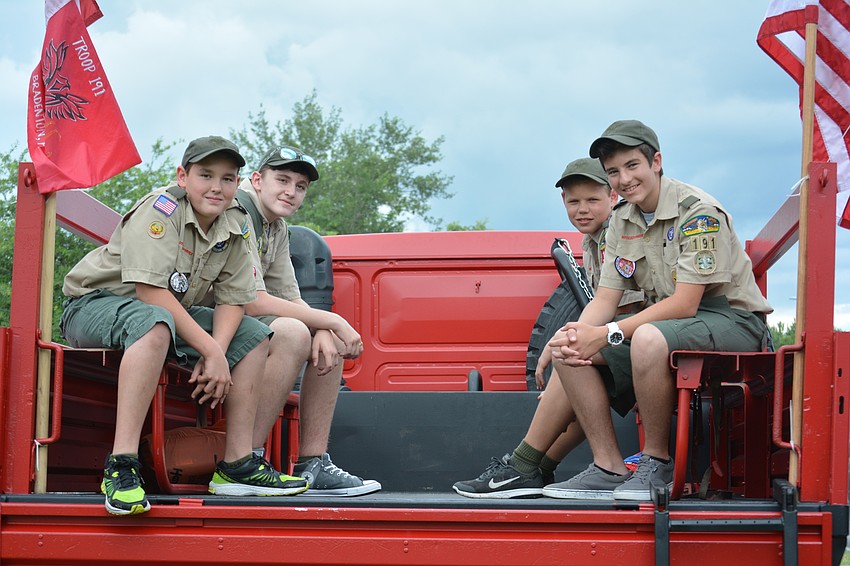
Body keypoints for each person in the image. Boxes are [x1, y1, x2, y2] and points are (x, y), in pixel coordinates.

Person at [60, 136, 308, 516]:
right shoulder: (161, 210)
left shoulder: (235, 222)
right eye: (205, 175)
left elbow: (232, 298)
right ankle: (121, 465)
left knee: (256, 335)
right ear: (183, 175)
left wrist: (222, 351)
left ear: (238, 183)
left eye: (227, 178)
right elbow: (151, 293)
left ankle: (236, 465)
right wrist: (211, 352)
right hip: (94, 305)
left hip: (165, 312)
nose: (216, 187)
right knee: (155, 323)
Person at [543, 120, 772, 501]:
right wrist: (572, 337)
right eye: (613, 172)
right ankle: (607, 466)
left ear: (657, 162)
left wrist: (609, 333)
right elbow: (604, 299)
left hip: (731, 318)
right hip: (678, 320)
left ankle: (656, 463)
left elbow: (685, 302)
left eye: (633, 165)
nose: (624, 179)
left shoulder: (698, 212)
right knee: (572, 348)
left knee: (646, 338)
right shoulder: (622, 219)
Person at [452, 157, 643, 498]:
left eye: (592, 200)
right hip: (625, 336)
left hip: (646, 337)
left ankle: (524, 465)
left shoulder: (625, 231)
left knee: (573, 359)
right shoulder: (593, 240)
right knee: (571, 366)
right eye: (573, 201)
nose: (582, 209)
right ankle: (538, 467)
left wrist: (568, 344)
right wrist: (560, 342)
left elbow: (630, 307)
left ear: (613, 197)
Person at [236, 145, 381, 496]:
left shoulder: (278, 227)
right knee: (291, 332)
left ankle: (312, 463)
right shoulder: (238, 212)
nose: (291, 191)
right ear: (257, 180)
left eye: (300, 186)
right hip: (197, 317)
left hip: (232, 320)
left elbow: (288, 293)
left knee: (329, 340)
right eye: (282, 180)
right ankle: (244, 462)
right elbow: (251, 301)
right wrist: (328, 319)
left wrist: (324, 328)